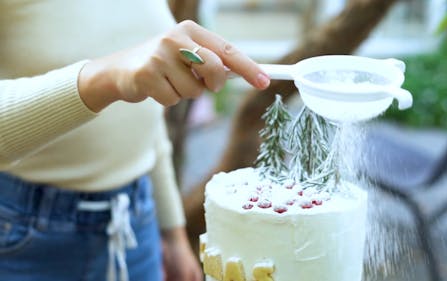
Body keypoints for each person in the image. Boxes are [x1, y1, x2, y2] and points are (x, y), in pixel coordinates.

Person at [0, 1, 270, 281]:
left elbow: (145, 115)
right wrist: (106, 77)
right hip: (25, 236)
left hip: (136, 226)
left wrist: (172, 231)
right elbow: (124, 73)